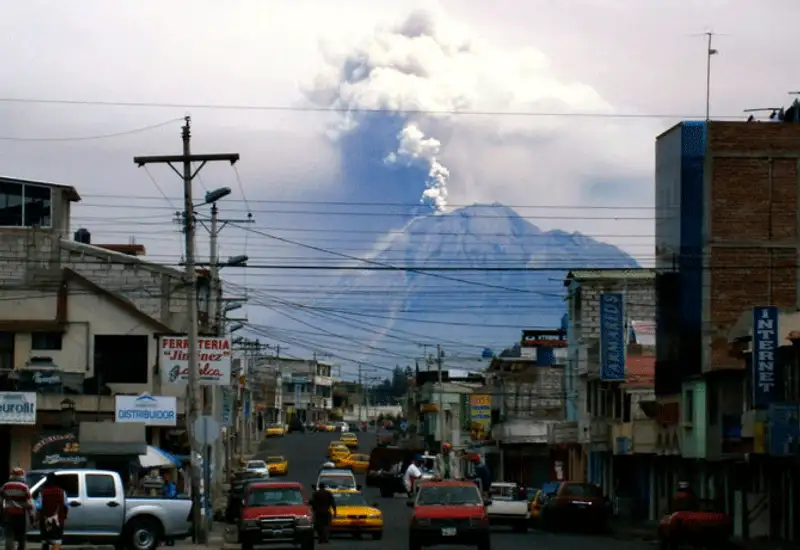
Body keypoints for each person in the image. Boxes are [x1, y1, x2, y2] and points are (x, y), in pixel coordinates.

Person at [1, 467, 35, 550]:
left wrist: (2, 512)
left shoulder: (5, 486)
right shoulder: (24, 487)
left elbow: (0, 501)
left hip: (8, 514)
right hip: (20, 515)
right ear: (22, 476)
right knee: (21, 535)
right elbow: (30, 504)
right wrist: (32, 516)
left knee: (9, 535)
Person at [35, 472, 68, 550]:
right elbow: (65, 505)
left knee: (45, 540)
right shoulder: (62, 492)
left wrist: (36, 519)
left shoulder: (42, 492)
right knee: (57, 540)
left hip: (45, 521)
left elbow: (39, 507)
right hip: (58, 521)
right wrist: (64, 516)